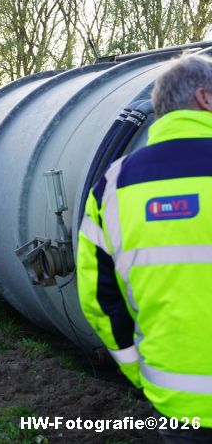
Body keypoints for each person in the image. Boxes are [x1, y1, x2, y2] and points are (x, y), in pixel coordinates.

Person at [77, 53, 212, 443]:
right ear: (205, 99)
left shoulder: (114, 184)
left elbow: (98, 299)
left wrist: (141, 372)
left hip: (176, 407)